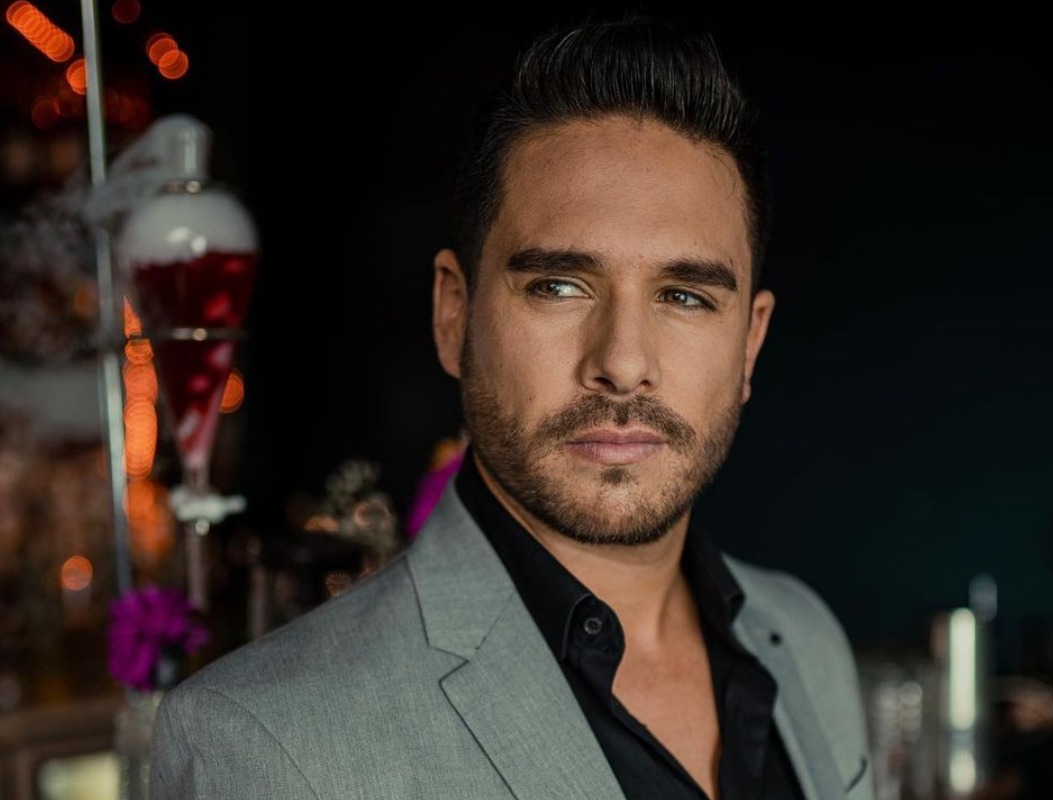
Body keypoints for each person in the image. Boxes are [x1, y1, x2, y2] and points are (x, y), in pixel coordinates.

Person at [150, 13, 873, 800]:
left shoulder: (805, 639)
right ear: (453, 315)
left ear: (750, 345)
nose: (623, 363)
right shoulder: (266, 741)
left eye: (685, 296)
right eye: (559, 286)